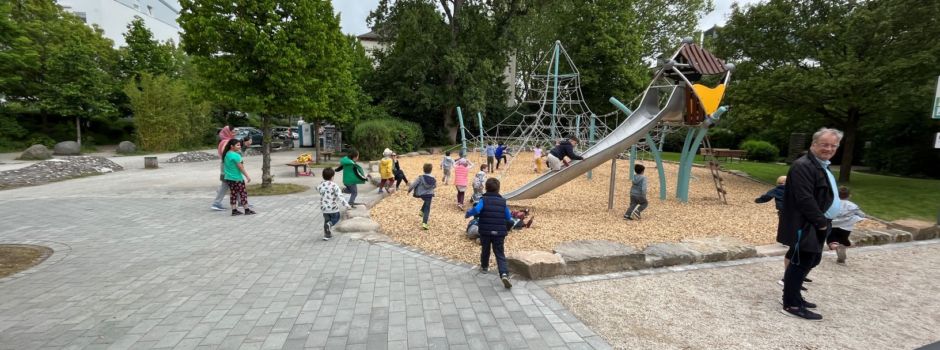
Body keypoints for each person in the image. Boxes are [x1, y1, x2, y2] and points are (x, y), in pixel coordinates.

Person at [777, 127, 843, 321]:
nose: (829, 148)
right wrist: (822, 224)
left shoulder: (820, 165)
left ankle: (795, 296)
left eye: (833, 145)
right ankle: (791, 304)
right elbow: (805, 199)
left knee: (810, 260)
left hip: (816, 223)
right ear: (814, 144)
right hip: (806, 224)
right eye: (824, 144)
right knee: (801, 262)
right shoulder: (804, 165)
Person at [465, 178, 513, 289]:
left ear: (486, 188)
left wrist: (468, 214)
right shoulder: (503, 202)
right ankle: (504, 274)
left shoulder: (483, 200)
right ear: (498, 189)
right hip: (499, 232)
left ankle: (484, 267)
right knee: (500, 253)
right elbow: (508, 217)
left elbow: (477, 210)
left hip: (485, 231)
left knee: (485, 249)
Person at [828, 186, 865, 264]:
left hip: (833, 225)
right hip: (846, 227)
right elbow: (861, 214)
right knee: (842, 241)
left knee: (832, 240)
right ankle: (841, 258)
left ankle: (835, 246)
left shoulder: (832, 203)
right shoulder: (853, 206)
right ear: (849, 195)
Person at [222, 138, 255, 216]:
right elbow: (241, 168)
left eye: (240, 145)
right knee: (243, 193)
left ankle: (234, 210)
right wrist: (247, 176)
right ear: (232, 146)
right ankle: (246, 210)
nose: (239, 146)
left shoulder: (227, 154)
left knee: (233, 194)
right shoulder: (236, 155)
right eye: (237, 145)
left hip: (229, 178)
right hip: (237, 178)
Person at [317, 167, 351, 241]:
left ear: (323, 176)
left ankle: (327, 235)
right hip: (332, 207)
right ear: (332, 177)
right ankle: (330, 224)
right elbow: (340, 196)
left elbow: (318, 189)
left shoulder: (321, 184)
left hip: (324, 208)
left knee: (326, 221)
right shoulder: (334, 185)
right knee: (336, 217)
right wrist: (347, 205)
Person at [211, 126, 235, 211]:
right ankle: (216, 203)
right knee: (226, 184)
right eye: (233, 132)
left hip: (225, 165)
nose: (234, 133)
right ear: (228, 132)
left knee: (237, 182)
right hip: (228, 165)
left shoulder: (223, 141)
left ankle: (241, 202)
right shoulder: (227, 142)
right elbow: (227, 154)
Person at [408, 163, 437, 230]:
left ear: (423, 169)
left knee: (427, 202)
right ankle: (425, 223)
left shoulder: (420, 178)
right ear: (431, 170)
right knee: (427, 208)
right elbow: (435, 186)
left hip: (421, 194)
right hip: (429, 194)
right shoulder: (433, 178)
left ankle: (421, 211)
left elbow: (413, 184)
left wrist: (409, 190)